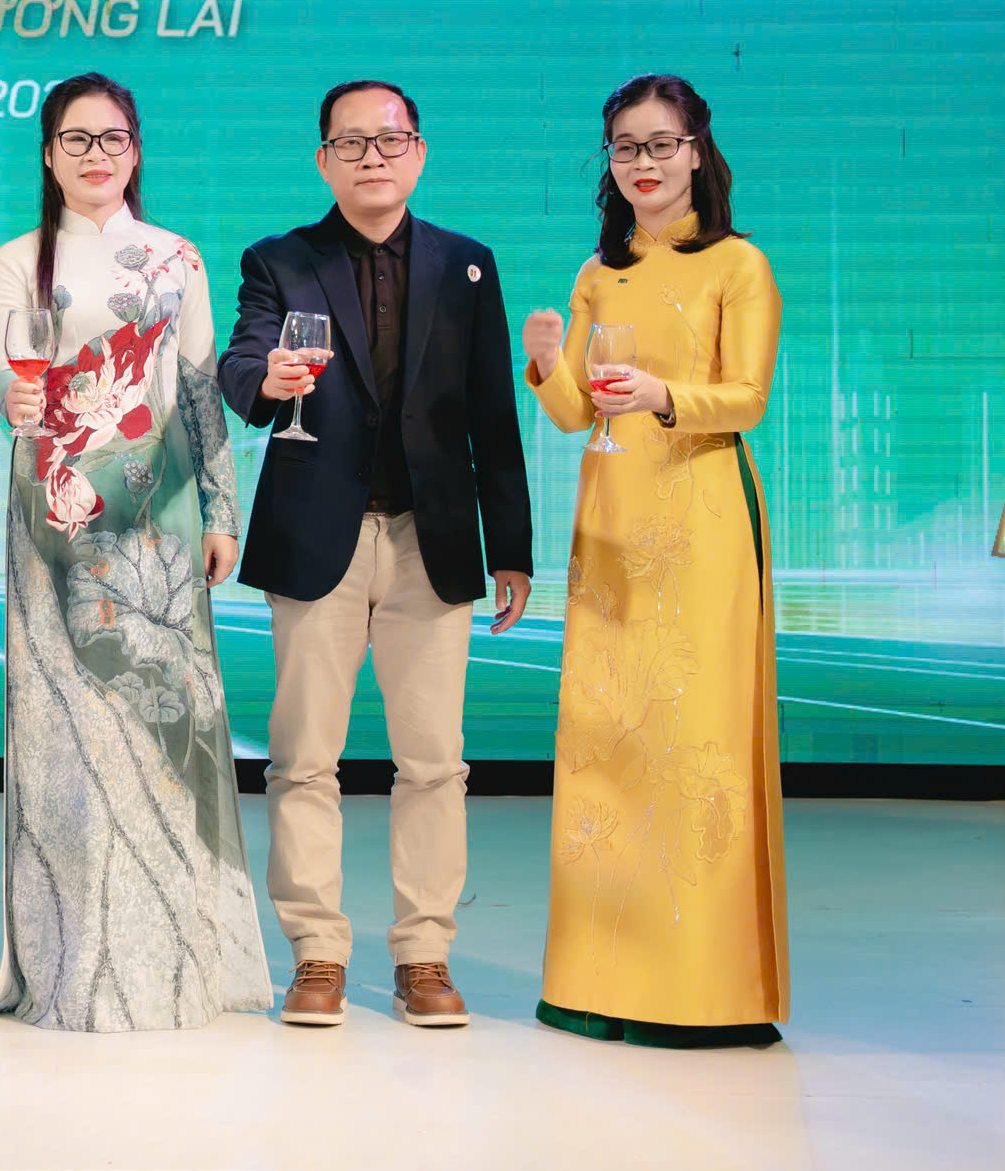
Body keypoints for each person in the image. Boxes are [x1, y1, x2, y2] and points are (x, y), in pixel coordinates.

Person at [217, 79, 532, 1031]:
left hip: (432, 541)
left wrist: (511, 547)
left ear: (419, 152)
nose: (372, 158)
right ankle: (316, 952)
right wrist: (267, 382)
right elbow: (241, 363)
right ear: (324, 160)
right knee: (303, 759)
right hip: (318, 536)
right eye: (350, 143)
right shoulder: (279, 259)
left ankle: (423, 955)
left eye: (389, 140)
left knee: (434, 762)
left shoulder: (466, 266)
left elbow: (493, 414)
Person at [0, 74, 269, 1031]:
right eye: (76, 138)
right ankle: (73, 969)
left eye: (112, 138)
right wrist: (15, 401)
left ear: (135, 150)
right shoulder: (17, 260)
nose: (95, 154)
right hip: (55, 516)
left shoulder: (178, 257)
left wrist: (222, 511)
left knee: (165, 720)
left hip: (161, 516)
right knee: (65, 729)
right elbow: (9, 382)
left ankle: (177, 967)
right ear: (48, 154)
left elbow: (199, 388)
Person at [522, 74, 787, 1049]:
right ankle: (598, 980)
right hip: (612, 524)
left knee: (694, 747)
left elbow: (747, 397)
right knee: (608, 749)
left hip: (703, 518)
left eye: (660, 144)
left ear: (696, 152)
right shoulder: (601, 271)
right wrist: (544, 359)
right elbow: (573, 412)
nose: (643, 162)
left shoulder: (738, 264)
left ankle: (704, 991)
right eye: (625, 147)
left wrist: (662, 394)